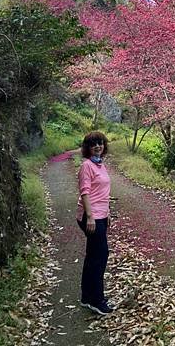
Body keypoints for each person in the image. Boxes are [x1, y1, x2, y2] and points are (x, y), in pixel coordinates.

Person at [76, 131, 113, 315]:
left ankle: (87, 296)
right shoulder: (87, 166)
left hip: (101, 215)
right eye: (93, 144)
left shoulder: (101, 165)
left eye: (100, 143)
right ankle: (97, 300)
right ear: (87, 148)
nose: (98, 146)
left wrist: (107, 213)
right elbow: (85, 192)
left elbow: (103, 193)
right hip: (91, 217)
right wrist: (90, 216)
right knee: (100, 256)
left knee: (93, 256)